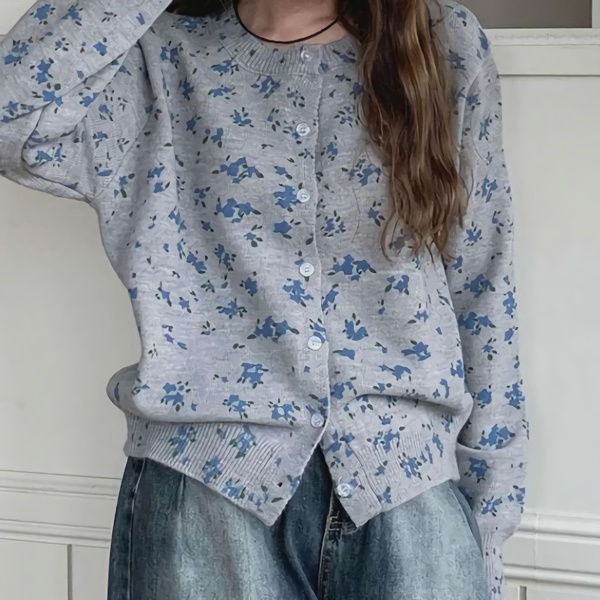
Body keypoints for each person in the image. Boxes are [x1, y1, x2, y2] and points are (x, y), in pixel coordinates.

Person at [0, 0, 528, 598]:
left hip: (411, 501)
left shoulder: (442, 42)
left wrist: (487, 524)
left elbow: (484, 285)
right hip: (204, 494)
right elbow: (13, 116)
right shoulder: (153, 55)